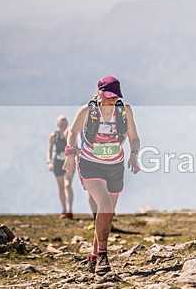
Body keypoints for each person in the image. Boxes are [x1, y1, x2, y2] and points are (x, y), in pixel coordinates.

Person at [63, 76, 141, 274]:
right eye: (107, 96)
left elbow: (134, 138)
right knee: (104, 206)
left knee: (107, 214)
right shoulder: (87, 110)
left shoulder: (124, 111)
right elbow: (72, 132)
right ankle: (103, 257)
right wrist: (71, 155)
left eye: (115, 97)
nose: (111, 100)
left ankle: (93, 256)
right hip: (90, 164)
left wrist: (133, 156)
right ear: (98, 92)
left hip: (115, 166)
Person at [47, 115, 74, 219]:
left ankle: (69, 210)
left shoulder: (70, 134)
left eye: (65, 122)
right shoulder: (54, 136)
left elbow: (74, 146)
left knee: (68, 185)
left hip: (69, 162)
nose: (63, 124)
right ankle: (63, 209)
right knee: (61, 187)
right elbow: (49, 150)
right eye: (61, 123)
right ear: (58, 124)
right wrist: (49, 162)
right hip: (57, 162)